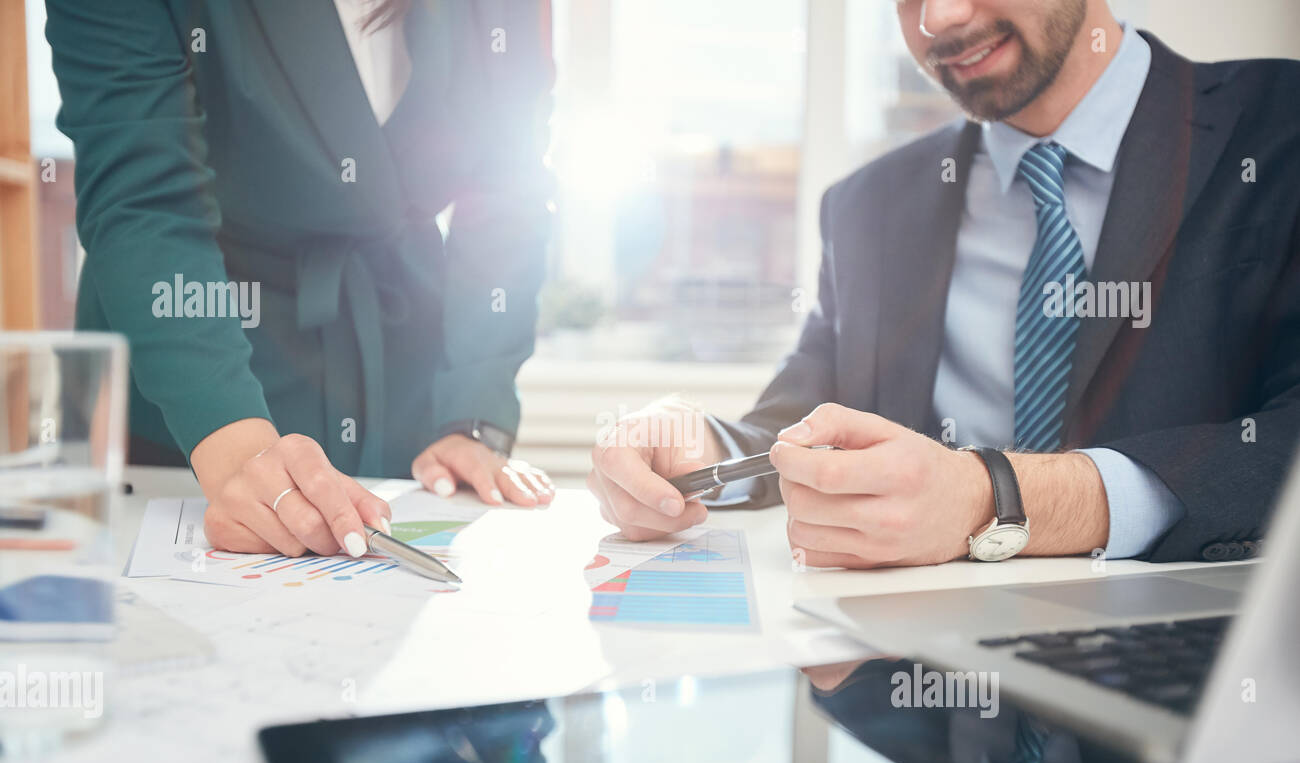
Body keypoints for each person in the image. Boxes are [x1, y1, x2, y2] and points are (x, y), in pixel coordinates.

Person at [588, 0, 1300, 567]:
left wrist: (995, 501)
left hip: (1201, 659)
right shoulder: (869, 206)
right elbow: (798, 425)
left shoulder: (1280, 124)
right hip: (925, 685)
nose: (939, 19)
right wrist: (702, 451)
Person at [47, 0, 556, 558]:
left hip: (406, 383)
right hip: (189, 375)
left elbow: (508, 194)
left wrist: (472, 414)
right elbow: (145, 201)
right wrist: (235, 447)